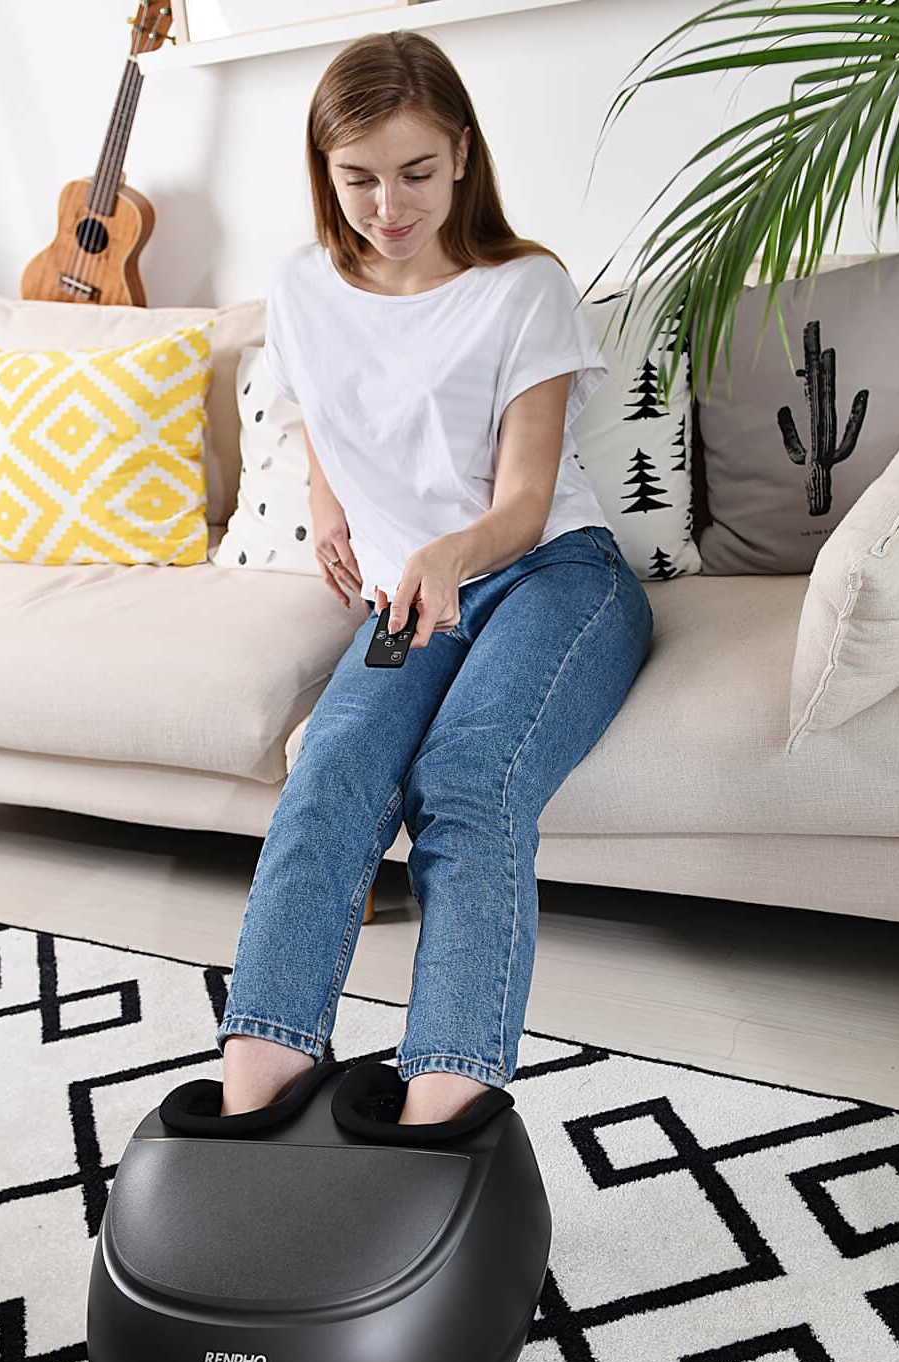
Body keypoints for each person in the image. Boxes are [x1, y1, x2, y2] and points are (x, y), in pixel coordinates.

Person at [217, 29, 654, 1125]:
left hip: (551, 573)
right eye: (356, 179)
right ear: (325, 172)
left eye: (415, 172)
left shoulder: (523, 288)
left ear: (461, 153)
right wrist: (328, 506)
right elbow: (317, 401)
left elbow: (519, 501)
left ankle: (444, 1117)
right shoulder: (302, 285)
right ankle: (254, 1104)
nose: (388, 205)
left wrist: (442, 553)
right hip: (409, 596)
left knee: (464, 787)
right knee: (328, 776)